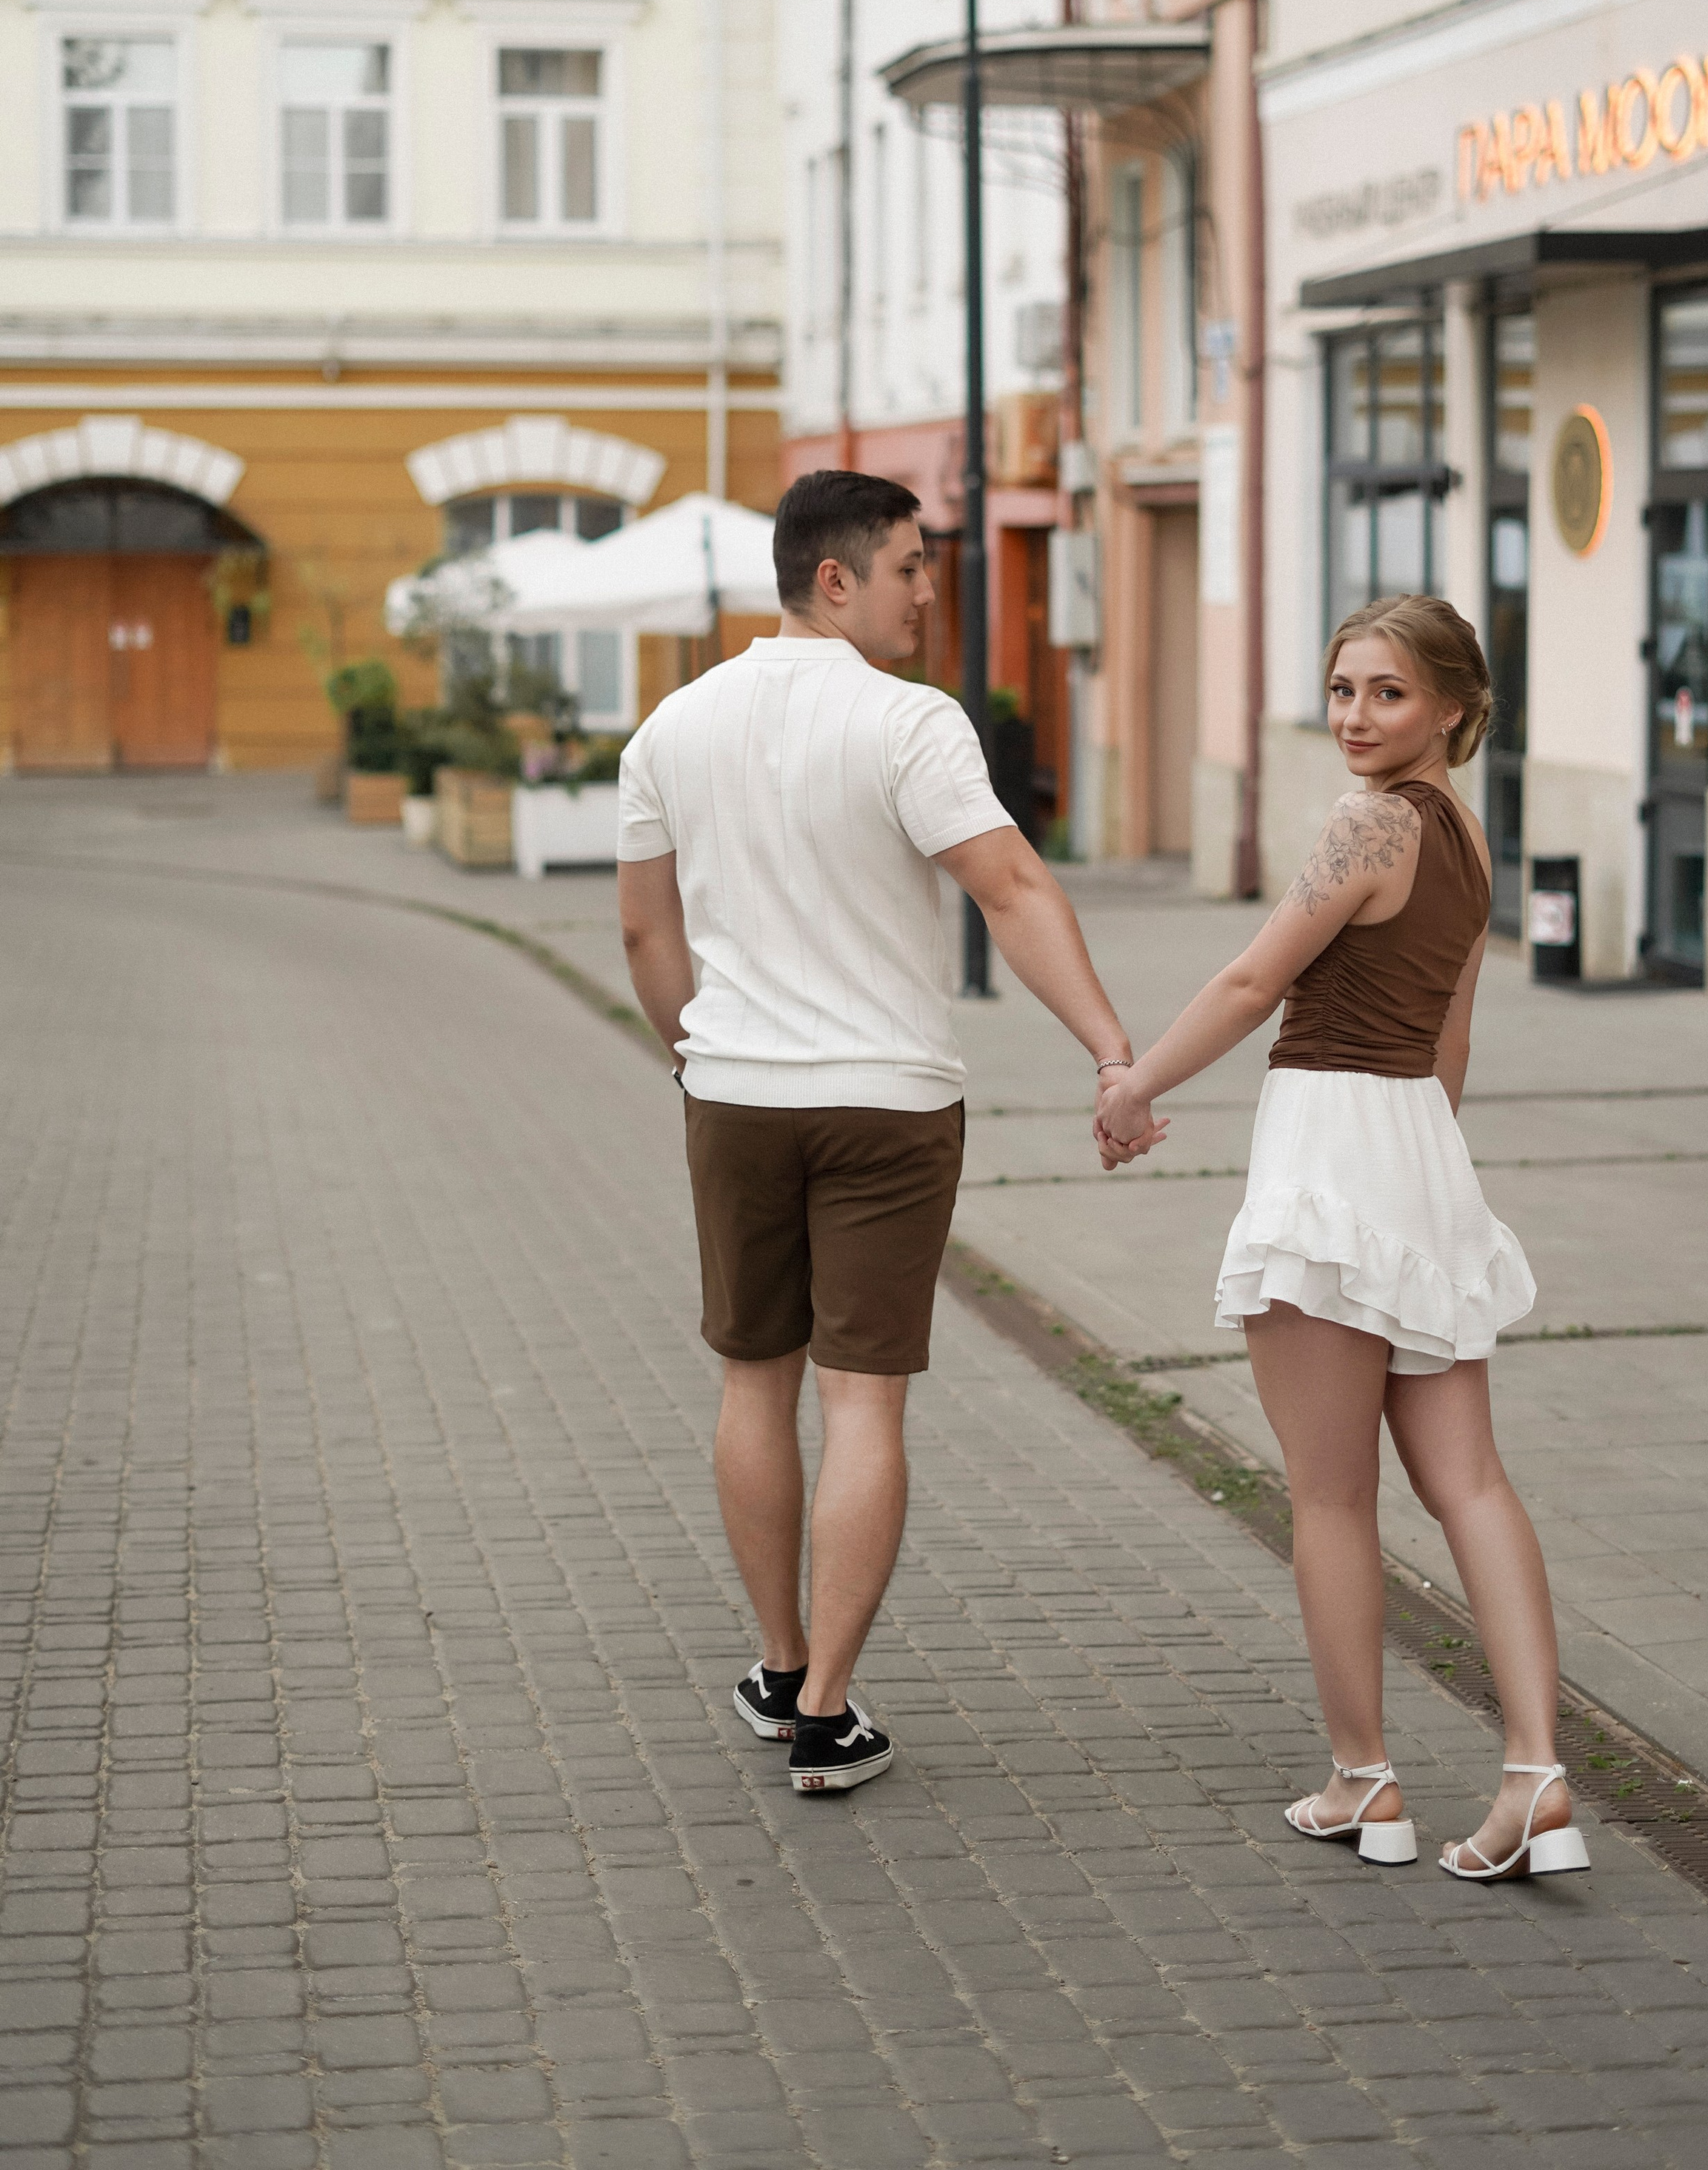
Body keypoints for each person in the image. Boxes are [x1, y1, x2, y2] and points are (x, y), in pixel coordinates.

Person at [616, 468, 1138, 1795]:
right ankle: (827, 1714)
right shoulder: (912, 723)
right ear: (835, 578)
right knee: (863, 1404)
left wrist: (694, 1053)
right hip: (887, 1104)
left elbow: (641, 930)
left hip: (735, 1094)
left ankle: (779, 1665)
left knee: (754, 1380)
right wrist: (1110, 1049)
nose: (927, 594)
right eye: (910, 567)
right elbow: (1010, 887)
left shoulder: (671, 726)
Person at [1096, 595, 1587, 1883]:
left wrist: (1137, 1086)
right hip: (1419, 1147)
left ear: (1453, 709)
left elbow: (1255, 981)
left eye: (1388, 692)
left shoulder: (1368, 823)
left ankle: (1364, 1781)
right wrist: (1425, 1174)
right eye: (1342, 689)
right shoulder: (1470, 840)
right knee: (1470, 1481)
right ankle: (1536, 1774)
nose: (1356, 717)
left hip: (1332, 1146)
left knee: (1330, 1494)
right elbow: (1452, 1039)